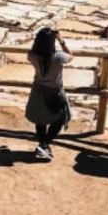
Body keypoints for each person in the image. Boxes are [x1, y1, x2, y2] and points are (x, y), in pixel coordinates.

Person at [25, 27, 73, 161]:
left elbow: (32, 51)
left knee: (40, 119)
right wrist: (61, 40)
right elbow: (71, 56)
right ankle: (45, 144)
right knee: (60, 117)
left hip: (38, 91)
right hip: (54, 92)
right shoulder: (59, 56)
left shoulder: (33, 56)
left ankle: (42, 146)